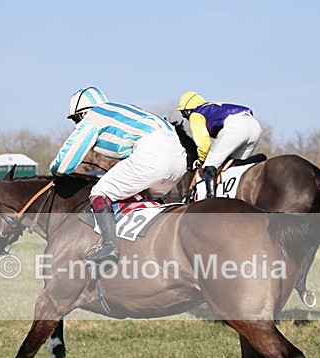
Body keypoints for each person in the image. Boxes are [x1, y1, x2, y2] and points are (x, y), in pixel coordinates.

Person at [50, 87, 187, 264]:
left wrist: (54, 171)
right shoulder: (123, 110)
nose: (76, 124)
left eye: (76, 119)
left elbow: (64, 164)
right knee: (142, 198)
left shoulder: (92, 117)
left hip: (153, 154)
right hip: (179, 157)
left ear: (82, 114)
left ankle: (109, 246)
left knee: (100, 191)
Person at [176, 91, 263, 198]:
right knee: (233, 168)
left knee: (209, 165)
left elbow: (203, 144)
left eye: (183, 113)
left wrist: (201, 161)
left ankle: (210, 200)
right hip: (255, 126)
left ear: (188, 110)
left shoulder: (196, 114)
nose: (185, 117)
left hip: (236, 127)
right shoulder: (211, 108)